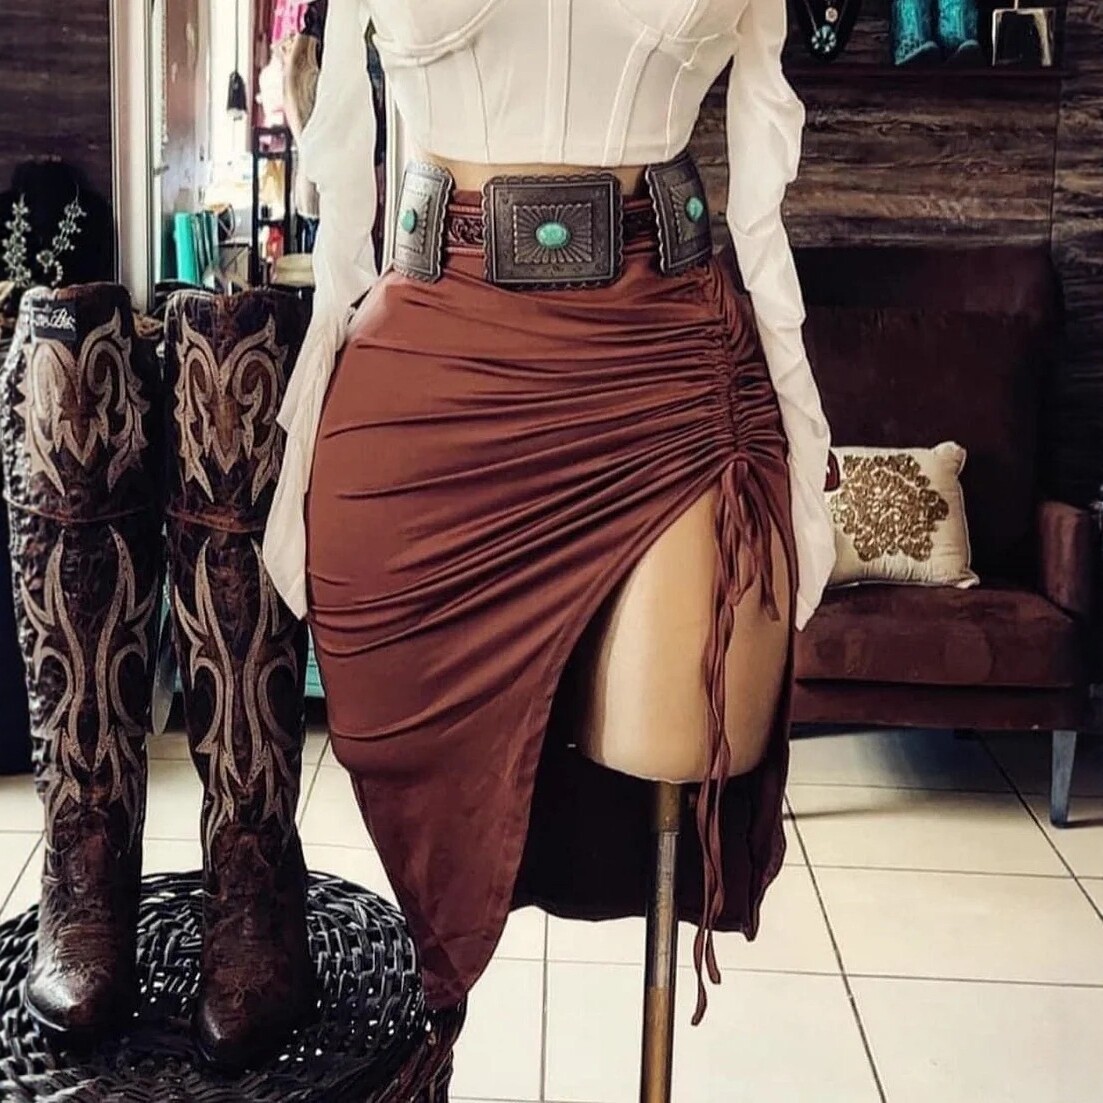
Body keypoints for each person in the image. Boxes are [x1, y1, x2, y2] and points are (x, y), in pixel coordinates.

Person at [263, 0, 835, 1024]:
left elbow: (760, 191)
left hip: (668, 382)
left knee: (671, 769)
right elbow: (344, 172)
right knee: (408, 796)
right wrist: (312, 403)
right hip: (424, 385)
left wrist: (797, 410)